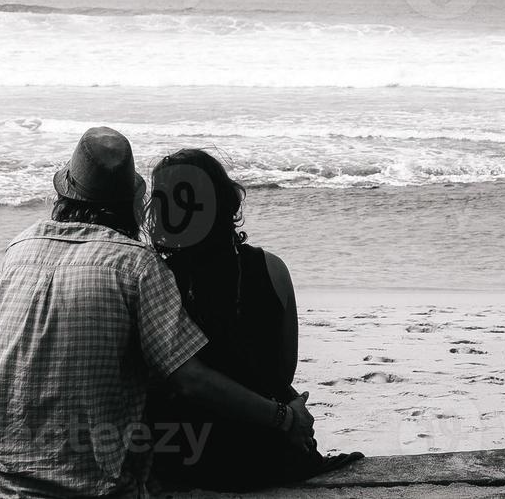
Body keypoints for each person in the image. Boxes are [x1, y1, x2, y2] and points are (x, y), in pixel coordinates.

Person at [0, 127, 316, 499]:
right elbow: (195, 379)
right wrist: (285, 417)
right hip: (88, 482)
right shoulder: (139, 266)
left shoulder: (19, 248)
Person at [146, 148, 362, 491]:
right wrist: (287, 414)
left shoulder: (153, 280)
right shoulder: (272, 269)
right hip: (268, 453)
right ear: (224, 201)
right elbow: (281, 372)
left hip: (187, 455)